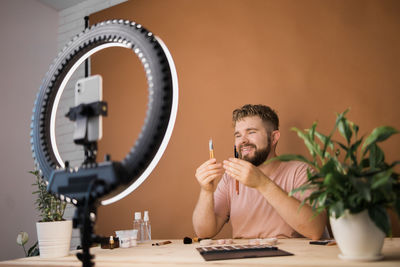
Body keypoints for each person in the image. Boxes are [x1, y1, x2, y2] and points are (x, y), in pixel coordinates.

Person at [192, 104, 327, 240]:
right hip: (243, 258)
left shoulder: (300, 172)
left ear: (274, 138)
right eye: (238, 135)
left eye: (251, 132)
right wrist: (206, 191)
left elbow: (315, 230)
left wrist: (262, 183)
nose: (243, 140)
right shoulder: (231, 178)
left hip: (288, 258)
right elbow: (204, 233)